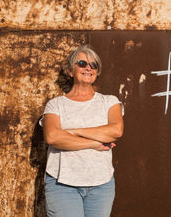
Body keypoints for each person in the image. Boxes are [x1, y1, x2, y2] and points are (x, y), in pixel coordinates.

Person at [40, 45, 124, 217]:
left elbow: (115, 131)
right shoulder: (55, 104)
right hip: (63, 184)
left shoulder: (109, 102)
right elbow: (53, 137)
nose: (88, 68)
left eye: (94, 65)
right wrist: (94, 143)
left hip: (101, 184)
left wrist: (73, 131)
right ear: (70, 71)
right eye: (82, 63)